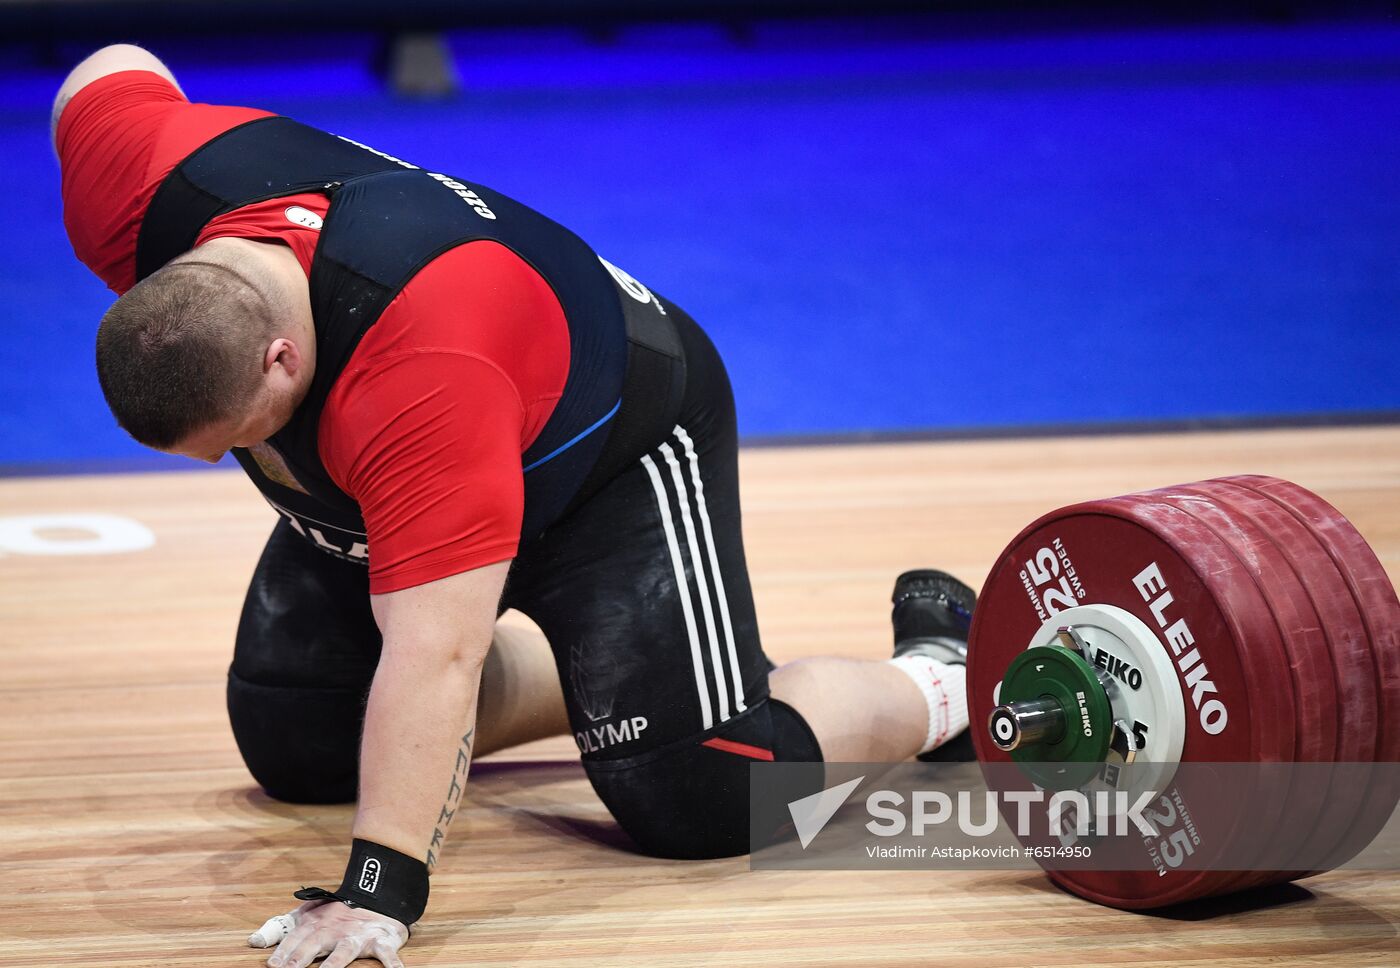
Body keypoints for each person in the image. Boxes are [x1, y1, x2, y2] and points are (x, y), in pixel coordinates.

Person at [53, 43, 977, 968]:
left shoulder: (421, 375)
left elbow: (439, 652)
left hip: (610, 457)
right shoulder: (141, 182)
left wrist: (377, 894)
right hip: (417, 467)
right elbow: (107, 69)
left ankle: (942, 675)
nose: (226, 460)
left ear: (280, 360)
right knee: (301, 737)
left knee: (702, 792)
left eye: (234, 437)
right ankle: (615, 680)